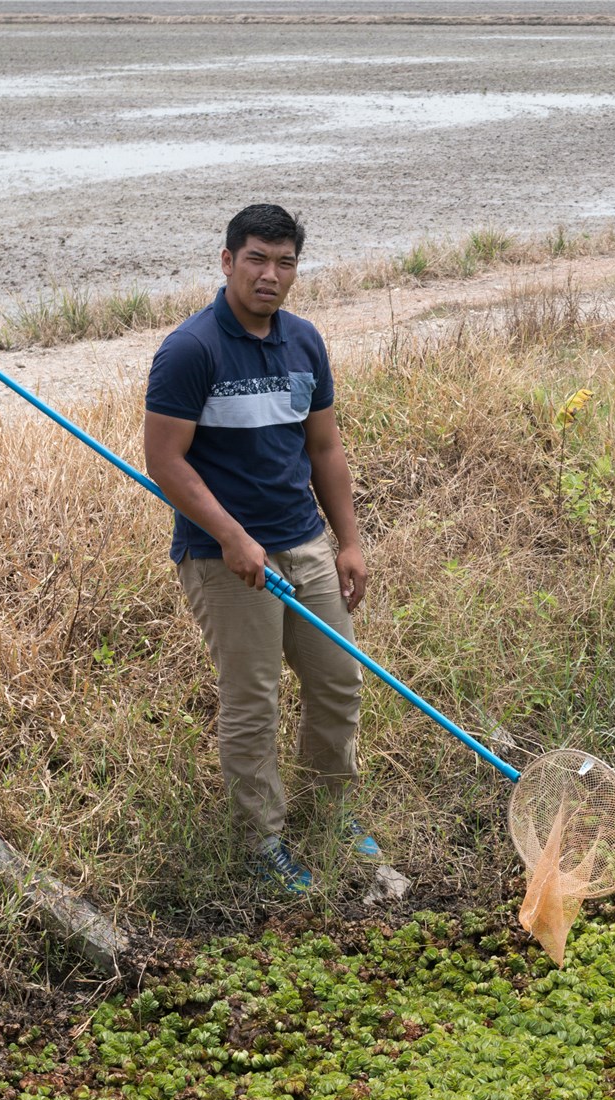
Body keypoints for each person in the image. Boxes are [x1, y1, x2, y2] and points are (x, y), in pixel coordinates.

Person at [143, 203, 377, 893]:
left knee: (339, 681)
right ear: (226, 261)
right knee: (254, 701)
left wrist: (350, 542)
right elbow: (165, 460)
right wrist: (231, 536)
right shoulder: (192, 350)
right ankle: (262, 841)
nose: (270, 275)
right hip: (224, 558)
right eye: (256, 259)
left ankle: (329, 814)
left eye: (284, 263)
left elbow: (325, 448)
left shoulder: (304, 343)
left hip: (304, 544)